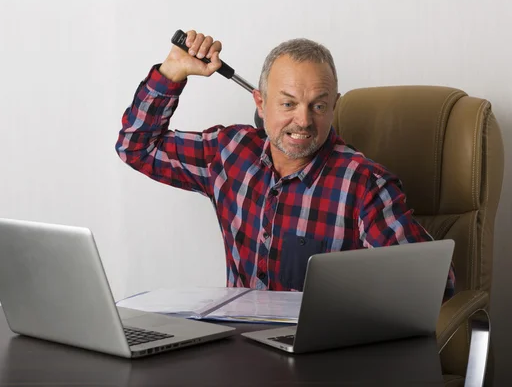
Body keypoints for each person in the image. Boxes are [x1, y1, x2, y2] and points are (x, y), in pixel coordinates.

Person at [116, 30, 455, 301]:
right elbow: (136, 145)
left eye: (318, 106)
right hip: (238, 351)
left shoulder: (364, 185)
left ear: (334, 105)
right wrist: (172, 72)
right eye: (288, 103)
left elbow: (434, 284)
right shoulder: (228, 154)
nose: (303, 121)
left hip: (320, 359)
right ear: (260, 103)